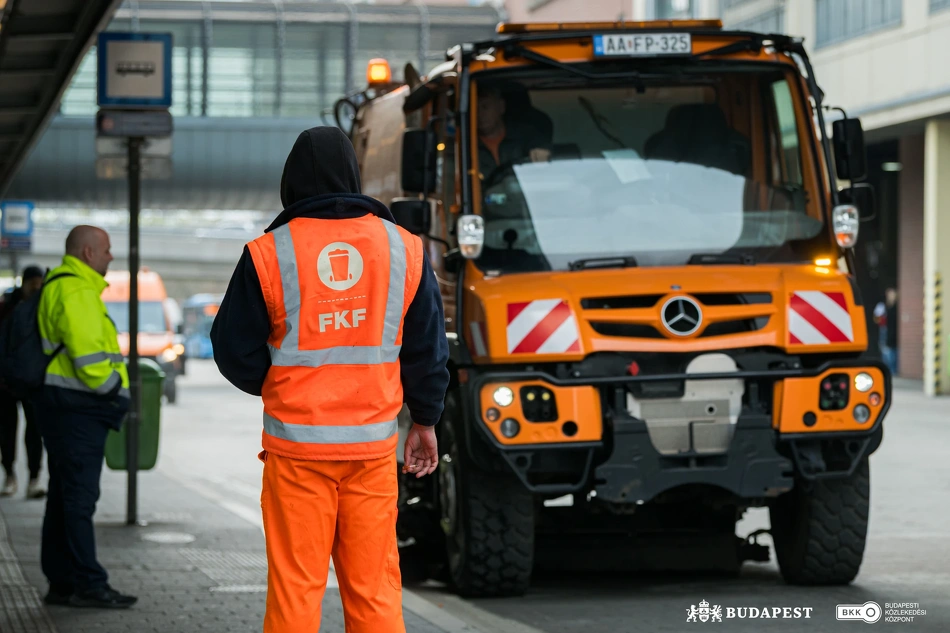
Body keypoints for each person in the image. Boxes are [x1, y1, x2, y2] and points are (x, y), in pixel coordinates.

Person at [211, 126, 450, 633]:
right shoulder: (403, 248)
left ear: (290, 182)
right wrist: (425, 421)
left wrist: (278, 384)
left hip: (296, 456)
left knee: (296, 592)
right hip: (372, 454)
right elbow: (428, 348)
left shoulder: (269, 253)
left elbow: (232, 348)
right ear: (353, 175)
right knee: (374, 593)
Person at [34, 225, 137, 609]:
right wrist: (113, 389)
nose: (111, 257)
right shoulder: (75, 289)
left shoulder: (68, 285)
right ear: (88, 253)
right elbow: (87, 356)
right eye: (107, 250)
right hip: (79, 410)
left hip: (65, 409)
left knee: (63, 496)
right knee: (79, 499)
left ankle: (61, 583)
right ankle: (88, 584)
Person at [0, 265, 47, 499]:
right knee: (7, 431)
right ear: (24, 283)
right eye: (32, 283)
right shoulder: (7, 306)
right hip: (7, 380)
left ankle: (34, 478)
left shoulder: (44, 306)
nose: (36, 288)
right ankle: (10, 474)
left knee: (34, 431)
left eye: (39, 283)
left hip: (32, 380)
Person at [477, 83, 552, 178]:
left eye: (485, 107)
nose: (479, 114)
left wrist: (543, 153)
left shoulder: (526, 135)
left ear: (501, 106)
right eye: (474, 108)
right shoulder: (465, 145)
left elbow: (543, 149)